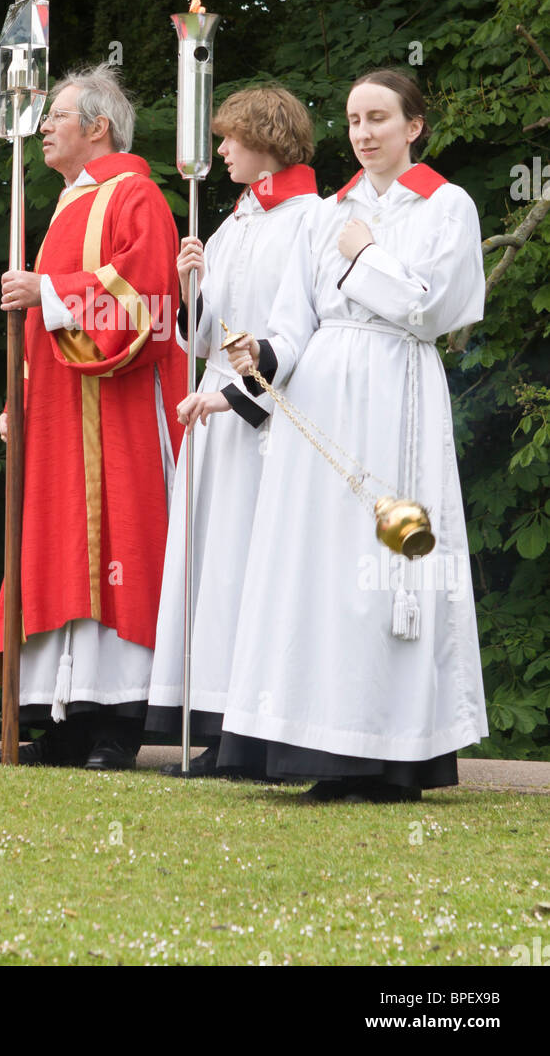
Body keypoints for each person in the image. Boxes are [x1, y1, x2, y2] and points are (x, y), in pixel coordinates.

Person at [202, 68, 487, 802]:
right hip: (322, 399)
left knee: (385, 563)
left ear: (413, 127)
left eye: (379, 119)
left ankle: (391, 754)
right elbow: (297, 316)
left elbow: (431, 310)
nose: (363, 134)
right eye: (355, 120)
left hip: (395, 390)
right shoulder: (327, 213)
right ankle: (323, 746)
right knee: (317, 569)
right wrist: (264, 356)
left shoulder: (446, 206)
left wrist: (365, 258)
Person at [0, 64, 185, 769]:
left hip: (118, 405)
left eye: (58, 115)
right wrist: (20, 401)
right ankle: (64, 719)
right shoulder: (70, 204)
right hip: (62, 412)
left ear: (97, 126)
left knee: (117, 548)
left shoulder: (136, 196)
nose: (43, 126)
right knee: (65, 550)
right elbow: (40, 333)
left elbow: (150, 301)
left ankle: (117, 723)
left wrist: (49, 290)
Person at [144, 86, 318, 776]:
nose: (219, 152)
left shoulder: (311, 219)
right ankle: (218, 723)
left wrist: (237, 395)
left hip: (268, 418)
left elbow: (298, 333)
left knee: (256, 567)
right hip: (213, 412)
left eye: (230, 139)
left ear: (268, 138)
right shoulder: (232, 224)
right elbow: (204, 337)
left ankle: (263, 730)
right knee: (213, 571)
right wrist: (192, 290)